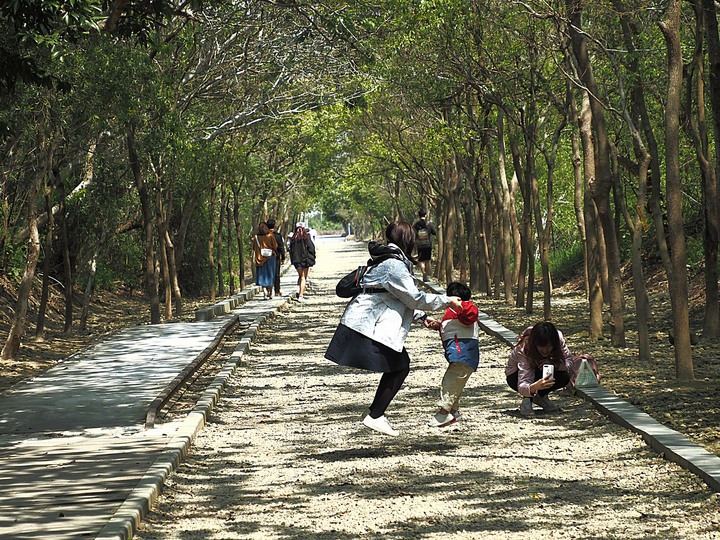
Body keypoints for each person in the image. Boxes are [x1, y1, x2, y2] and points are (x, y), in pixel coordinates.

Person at [324, 221, 463, 437]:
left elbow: (398, 298)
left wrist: (422, 318)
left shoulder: (393, 262)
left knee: (399, 365)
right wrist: (447, 301)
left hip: (368, 323)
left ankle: (376, 414)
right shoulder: (394, 265)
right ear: (408, 240)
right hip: (366, 325)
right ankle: (375, 415)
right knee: (400, 365)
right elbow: (413, 298)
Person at [423, 282, 479, 428]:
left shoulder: (465, 307)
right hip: (459, 355)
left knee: (450, 383)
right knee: (456, 383)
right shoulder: (453, 312)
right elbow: (455, 327)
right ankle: (454, 412)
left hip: (463, 355)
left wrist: (461, 304)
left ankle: (443, 414)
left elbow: (470, 314)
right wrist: (439, 325)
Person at [505, 321, 572, 416]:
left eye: (549, 346)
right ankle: (527, 400)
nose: (545, 350)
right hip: (515, 375)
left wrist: (554, 364)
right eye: (541, 347)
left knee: (564, 376)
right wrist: (535, 386)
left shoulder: (558, 338)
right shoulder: (524, 348)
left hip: (541, 371)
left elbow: (569, 360)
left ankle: (540, 396)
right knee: (528, 378)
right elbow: (523, 381)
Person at [288, 222, 316, 302]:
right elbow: (311, 248)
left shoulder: (293, 238)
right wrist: (312, 256)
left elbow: (290, 250)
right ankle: (301, 295)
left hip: (296, 260)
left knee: (300, 275)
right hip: (305, 260)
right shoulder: (306, 237)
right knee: (304, 277)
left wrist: (292, 260)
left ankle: (298, 289)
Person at [252, 221, 279, 300]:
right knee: (270, 275)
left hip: (260, 259)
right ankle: (270, 292)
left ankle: (265, 292)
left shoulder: (256, 237)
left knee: (262, 276)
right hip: (270, 258)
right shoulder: (270, 236)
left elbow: (254, 248)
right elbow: (275, 246)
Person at [412, 209, 437, 280]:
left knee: (421, 260)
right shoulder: (429, 224)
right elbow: (434, 233)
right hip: (428, 244)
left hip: (420, 245)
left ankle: (423, 273)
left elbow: (413, 233)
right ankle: (427, 275)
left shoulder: (416, 225)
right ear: (425, 215)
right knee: (427, 260)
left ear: (419, 216)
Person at [266, 219, 286, 297]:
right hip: (276, 257)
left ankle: (268, 290)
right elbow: (281, 247)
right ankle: (277, 291)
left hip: (265, 257)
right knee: (276, 274)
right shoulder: (277, 236)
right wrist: (283, 257)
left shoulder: (264, 236)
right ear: (274, 226)